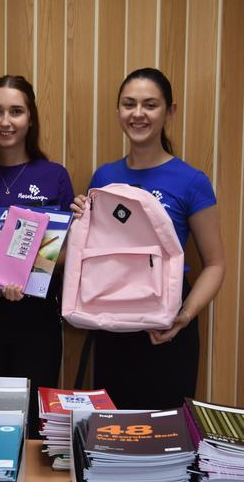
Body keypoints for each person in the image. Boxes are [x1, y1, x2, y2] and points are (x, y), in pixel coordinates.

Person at [71, 68, 225, 409]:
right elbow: (95, 253)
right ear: (117, 111)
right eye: (129, 104)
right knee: (112, 429)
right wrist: (80, 218)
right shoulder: (104, 176)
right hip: (111, 318)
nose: (137, 113)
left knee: (166, 431)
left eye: (149, 105)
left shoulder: (191, 181)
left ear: (170, 111)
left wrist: (183, 316)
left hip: (166, 325)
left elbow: (215, 264)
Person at [0, 75, 74, 438]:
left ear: (30, 118)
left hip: (37, 320)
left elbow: (69, 251)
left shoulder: (54, 176)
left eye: (16, 111)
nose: (5, 122)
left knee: (35, 428)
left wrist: (33, 268)